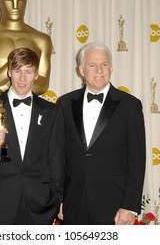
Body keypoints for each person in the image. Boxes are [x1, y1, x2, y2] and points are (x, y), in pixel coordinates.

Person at [0, 48, 64, 225]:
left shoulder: (52, 111)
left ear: (36, 74)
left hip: (40, 206)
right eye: (17, 71)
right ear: (8, 72)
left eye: (28, 72)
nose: (22, 78)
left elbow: (57, 160)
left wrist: (57, 200)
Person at [57, 41, 146, 225]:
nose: (99, 70)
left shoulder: (130, 105)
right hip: (74, 204)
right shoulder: (65, 104)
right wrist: (58, 198)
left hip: (114, 208)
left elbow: (137, 159)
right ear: (81, 70)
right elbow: (59, 156)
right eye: (92, 65)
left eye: (104, 64)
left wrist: (129, 206)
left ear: (111, 68)